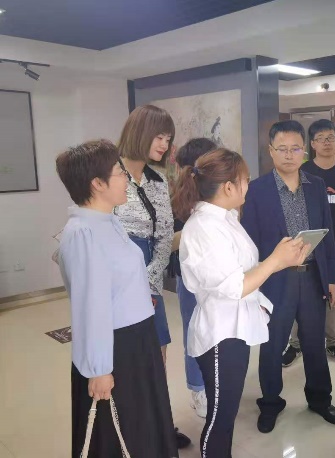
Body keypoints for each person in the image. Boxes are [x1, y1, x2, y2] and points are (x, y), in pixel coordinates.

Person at [173, 148, 309, 457]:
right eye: (245, 179)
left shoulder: (227, 218)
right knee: (220, 417)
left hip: (235, 329)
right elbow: (235, 286)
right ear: (228, 187)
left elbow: (244, 269)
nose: (249, 184)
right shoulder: (204, 228)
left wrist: (283, 260)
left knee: (228, 410)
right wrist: (275, 261)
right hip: (220, 334)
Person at [56, 140, 177, 457]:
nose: (126, 178)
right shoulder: (83, 233)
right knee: (120, 430)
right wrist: (99, 369)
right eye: (119, 172)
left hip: (137, 338)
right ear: (97, 183)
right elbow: (90, 307)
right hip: (115, 346)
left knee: (142, 423)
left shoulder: (109, 221)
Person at [241, 120, 335, 433]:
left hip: (312, 277)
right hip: (276, 279)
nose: (289, 155)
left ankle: (320, 399)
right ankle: (270, 403)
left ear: (304, 151)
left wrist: (331, 277)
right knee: (272, 345)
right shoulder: (256, 190)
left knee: (314, 343)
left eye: (295, 148)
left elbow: (327, 234)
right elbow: (250, 241)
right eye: (282, 149)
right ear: (271, 151)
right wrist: (256, 281)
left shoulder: (316, 185)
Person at [114, 104, 190, 448]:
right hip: (116, 277)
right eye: (159, 136)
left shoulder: (158, 181)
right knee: (125, 359)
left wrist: (149, 281)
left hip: (150, 277)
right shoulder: (108, 174)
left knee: (157, 355)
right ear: (139, 132)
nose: (164, 144)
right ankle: (127, 429)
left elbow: (164, 237)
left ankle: (161, 426)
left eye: (168, 138)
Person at [283, 119, 335, 367]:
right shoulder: (303, 171)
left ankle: (332, 342)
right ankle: (296, 344)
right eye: (321, 138)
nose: (327, 143)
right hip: (305, 246)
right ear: (313, 144)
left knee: (332, 296)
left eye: (331, 137)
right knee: (301, 295)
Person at [168, 137, 218, 418]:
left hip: (219, 273)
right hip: (189, 277)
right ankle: (198, 389)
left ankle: (216, 382)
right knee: (194, 331)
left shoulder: (219, 193)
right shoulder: (178, 198)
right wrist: (197, 228)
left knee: (218, 330)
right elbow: (167, 243)